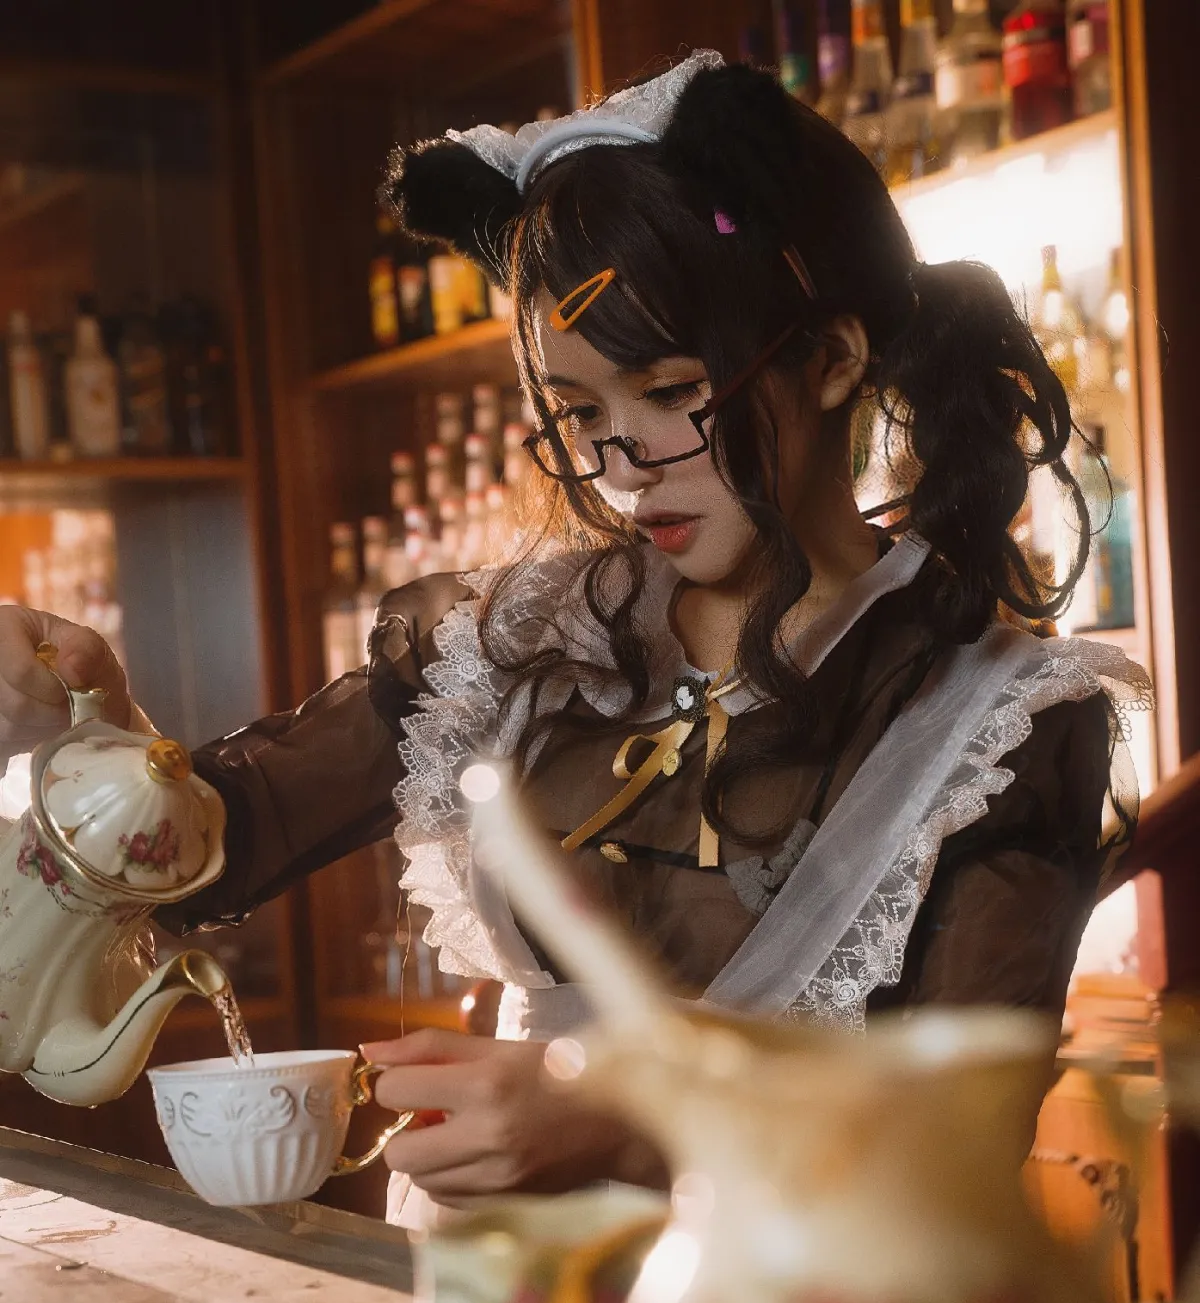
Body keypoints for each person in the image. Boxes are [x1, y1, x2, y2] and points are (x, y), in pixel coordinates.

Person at [0, 51, 1147, 1210]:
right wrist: (97, 731)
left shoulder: (1000, 722)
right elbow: (226, 836)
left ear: (834, 357)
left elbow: (959, 1139)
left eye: (671, 394)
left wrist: (625, 1125)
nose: (623, 468)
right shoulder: (530, 643)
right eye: (581, 412)